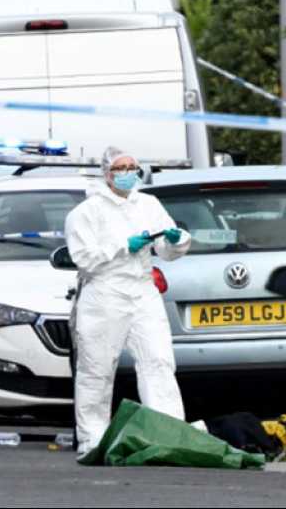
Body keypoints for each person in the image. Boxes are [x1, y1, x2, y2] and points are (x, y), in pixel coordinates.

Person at [64, 146, 192, 459]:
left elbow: (166, 248)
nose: (128, 173)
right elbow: (83, 258)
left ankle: (169, 433)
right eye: (121, 168)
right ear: (107, 174)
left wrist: (176, 241)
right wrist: (123, 246)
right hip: (105, 292)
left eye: (133, 166)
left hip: (143, 288)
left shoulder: (148, 204)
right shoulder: (86, 212)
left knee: (158, 361)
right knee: (96, 368)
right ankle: (92, 438)